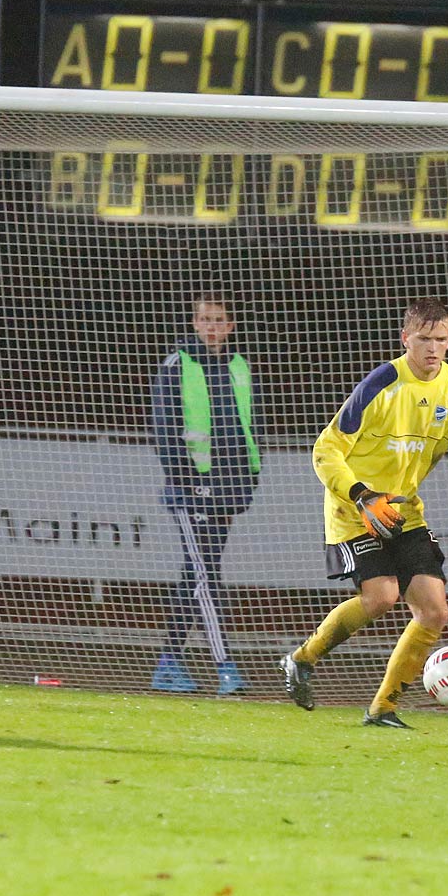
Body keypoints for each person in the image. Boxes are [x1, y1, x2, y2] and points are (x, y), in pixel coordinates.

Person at [280, 297, 448, 728]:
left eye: (440, 339)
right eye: (424, 339)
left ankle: (383, 709)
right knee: (381, 597)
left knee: (434, 611)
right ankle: (302, 659)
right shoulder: (381, 385)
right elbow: (326, 449)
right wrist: (360, 495)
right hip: (355, 508)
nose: (432, 348)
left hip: (404, 511)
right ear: (406, 339)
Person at [149, 293, 260, 695]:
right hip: (190, 491)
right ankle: (224, 665)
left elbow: (250, 424)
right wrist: (185, 480)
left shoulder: (239, 366)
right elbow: (163, 430)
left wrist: (250, 476)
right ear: (195, 324)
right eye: (205, 319)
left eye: (219, 320)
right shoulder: (177, 365)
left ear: (230, 326)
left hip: (228, 489)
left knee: (194, 576)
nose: (212, 326)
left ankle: (169, 663)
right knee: (206, 577)